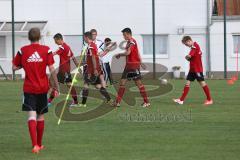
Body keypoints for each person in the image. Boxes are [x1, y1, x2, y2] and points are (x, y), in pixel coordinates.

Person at [12, 28, 59, 154]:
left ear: (29, 37)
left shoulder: (22, 51)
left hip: (29, 88)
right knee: (40, 116)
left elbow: (14, 67)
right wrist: (56, 86)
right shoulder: (46, 50)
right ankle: (39, 143)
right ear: (39, 37)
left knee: (31, 115)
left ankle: (35, 146)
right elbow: (52, 69)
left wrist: (24, 64)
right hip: (42, 88)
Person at [114, 28, 150, 108]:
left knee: (138, 84)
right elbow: (136, 52)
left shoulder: (131, 42)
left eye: (124, 35)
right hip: (129, 66)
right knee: (122, 83)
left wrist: (120, 54)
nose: (123, 36)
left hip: (133, 66)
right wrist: (141, 62)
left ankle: (146, 102)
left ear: (128, 34)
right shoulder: (129, 42)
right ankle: (117, 102)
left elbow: (128, 52)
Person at [173, 36, 213, 105]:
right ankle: (181, 100)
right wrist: (189, 58)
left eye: (186, 44)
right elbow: (193, 57)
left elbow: (190, 55)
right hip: (192, 69)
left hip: (197, 69)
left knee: (202, 83)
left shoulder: (195, 46)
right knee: (187, 83)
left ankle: (209, 100)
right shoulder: (194, 47)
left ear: (189, 41)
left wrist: (187, 56)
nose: (186, 45)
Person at [80, 31, 113, 107]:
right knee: (97, 85)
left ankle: (83, 104)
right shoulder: (93, 45)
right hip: (95, 68)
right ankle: (109, 99)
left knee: (86, 85)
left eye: (84, 37)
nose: (84, 39)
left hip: (91, 70)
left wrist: (94, 69)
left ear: (86, 37)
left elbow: (93, 58)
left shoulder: (91, 46)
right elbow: (98, 55)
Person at [48, 33, 79, 107]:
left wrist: (46, 55)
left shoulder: (62, 47)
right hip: (66, 69)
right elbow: (73, 57)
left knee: (56, 85)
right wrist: (77, 64)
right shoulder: (67, 46)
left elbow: (54, 53)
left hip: (63, 70)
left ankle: (48, 101)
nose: (55, 42)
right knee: (69, 85)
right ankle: (76, 101)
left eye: (56, 41)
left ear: (59, 39)